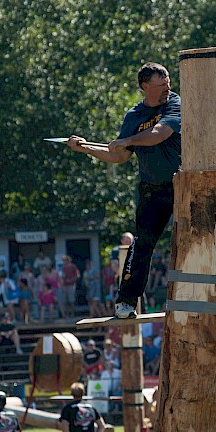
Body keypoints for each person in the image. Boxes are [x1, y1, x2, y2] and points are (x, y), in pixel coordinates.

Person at [68, 62, 181, 319]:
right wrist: (85, 148)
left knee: (190, 237)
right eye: (161, 85)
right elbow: (119, 156)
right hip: (151, 189)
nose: (168, 88)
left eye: (168, 83)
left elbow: (159, 134)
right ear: (145, 87)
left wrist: (127, 141)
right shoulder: (133, 117)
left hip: (182, 184)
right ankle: (126, 301)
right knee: (142, 244)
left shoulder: (175, 103)